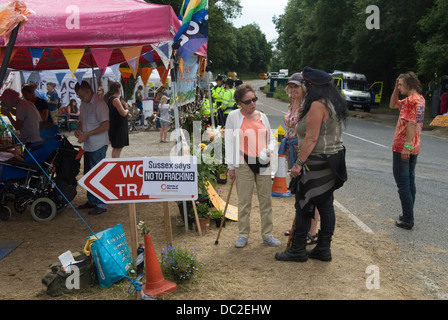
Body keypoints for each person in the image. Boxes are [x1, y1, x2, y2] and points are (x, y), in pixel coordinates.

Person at [275, 67, 348, 262]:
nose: (305, 87)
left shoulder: (317, 105)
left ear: (314, 86)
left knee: (304, 204)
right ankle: (323, 249)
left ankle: (297, 249)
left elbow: (311, 138)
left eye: (307, 84)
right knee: (325, 204)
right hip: (333, 158)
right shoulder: (333, 102)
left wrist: (299, 164)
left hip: (317, 160)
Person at [225, 83, 281, 248]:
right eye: (248, 101)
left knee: (266, 201)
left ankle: (267, 234)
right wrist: (231, 166)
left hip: (263, 162)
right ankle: (243, 234)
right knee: (244, 202)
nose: (252, 104)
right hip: (243, 163)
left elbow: (271, 138)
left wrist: (270, 150)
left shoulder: (262, 116)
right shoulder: (233, 117)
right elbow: (228, 142)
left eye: (254, 100)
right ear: (240, 103)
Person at [279, 73, 319, 245]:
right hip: (291, 150)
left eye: (296, 86)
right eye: (291, 86)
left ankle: (312, 231)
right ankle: (298, 226)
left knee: (310, 191)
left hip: (304, 152)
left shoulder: (307, 104)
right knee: (298, 190)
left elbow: (311, 132)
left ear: (304, 87)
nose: (293, 89)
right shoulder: (292, 102)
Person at [389, 72, 425, 230]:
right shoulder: (420, 99)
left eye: (401, 85)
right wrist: (396, 90)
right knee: (410, 181)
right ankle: (407, 213)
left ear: (409, 85)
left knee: (403, 183)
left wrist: (406, 147)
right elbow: (392, 105)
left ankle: (408, 219)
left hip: (403, 146)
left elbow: (410, 124)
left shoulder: (411, 101)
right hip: (415, 146)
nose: (399, 87)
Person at [74, 81, 109, 215]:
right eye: (79, 97)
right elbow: (81, 121)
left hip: (99, 144)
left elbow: (106, 125)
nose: (80, 99)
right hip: (88, 145)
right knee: (89, 174)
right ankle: (92, 200)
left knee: (98, 174)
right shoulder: (84, 104)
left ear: (89, 91)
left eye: (82, 96)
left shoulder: (99, 104)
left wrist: (88, 133)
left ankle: (101, 203)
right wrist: (79, 129)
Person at [105, 81, 130, 158]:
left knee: (116, 147)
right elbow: (122, 113)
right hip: (119, 127)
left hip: (115, 125)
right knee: (118, 147)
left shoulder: (110, 99)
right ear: (119, 89)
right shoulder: (115, 100)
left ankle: (114, 162)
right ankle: (115, 163)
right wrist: (127, 110)